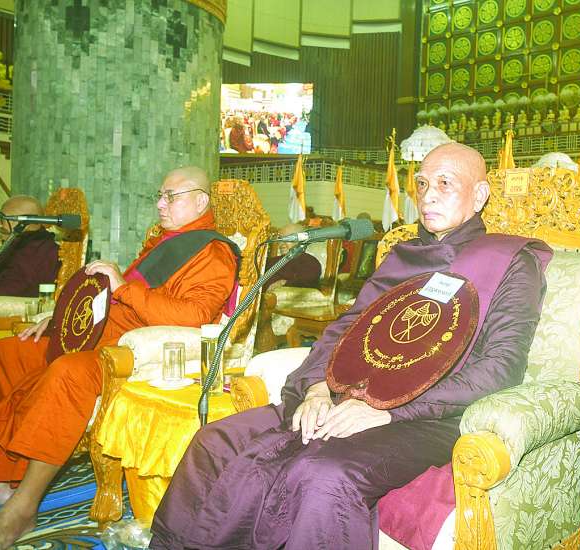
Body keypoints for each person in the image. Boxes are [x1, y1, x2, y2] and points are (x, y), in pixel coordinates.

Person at [149, 142, 553, 549]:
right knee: (214, 440)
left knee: (321, 474)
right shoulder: (404, 258)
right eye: (422, 183)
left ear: (479, 195)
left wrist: (389, 410)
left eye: (445, 184)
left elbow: (500, 368)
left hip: (429, 418)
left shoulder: (509, 261)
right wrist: (317, 389)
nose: (428, 195)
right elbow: (346, 329)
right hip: (347, 397)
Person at [0, 167, 239, 548]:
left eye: (171, 197)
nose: (160, 204)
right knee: (9, 352)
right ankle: (5, 476)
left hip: (128, 352)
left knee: (67, 372)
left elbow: (193, 315)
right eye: (159, 195)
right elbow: (107, 300)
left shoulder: (212, 252)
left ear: (200, 201)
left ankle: (23, 506)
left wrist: (124, 287)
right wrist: (60, 319)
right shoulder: (164, 242)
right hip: (95, 335)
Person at [0, 195, 60, 297]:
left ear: (23, 222)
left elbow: (7, 290)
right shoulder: (18, 243)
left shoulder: (35, 252)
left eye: (2, 219)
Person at [264, 222, 323, 289]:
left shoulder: (308, 261)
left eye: (287, 239)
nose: (281, 243)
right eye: (280, 239)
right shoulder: (271, 261)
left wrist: (284, 283)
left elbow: (307, 282)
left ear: (301, 241)